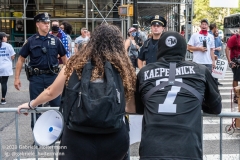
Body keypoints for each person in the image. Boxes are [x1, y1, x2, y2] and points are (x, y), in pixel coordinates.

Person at [17, 24, 136, 160]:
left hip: (77, 137)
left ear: (93, 41)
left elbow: (51, 92)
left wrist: (32, 104)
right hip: (113, 137)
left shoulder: (75, 64)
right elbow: (130, 107)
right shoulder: (124, 69)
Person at [133, 31, 222, 159]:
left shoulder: (145, 72)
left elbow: (140, 108)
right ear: (183, 49)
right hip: (187, 148)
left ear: (160, 49)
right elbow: (216, 107)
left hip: (152, 148)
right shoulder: (200, 70)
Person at [14, 12, 68, 131]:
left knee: (56, 106)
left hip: (52, 77)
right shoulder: (31, 41)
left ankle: (59, 132)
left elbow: (64, 58)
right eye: (44, 23)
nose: (47, 25)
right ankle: (37, 134)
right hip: (36, 78)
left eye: (48, 23)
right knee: (35, 106)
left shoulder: (55, 40)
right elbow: (21, 59)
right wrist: (16, 78)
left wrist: (68, 76)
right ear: (37, 24)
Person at [0, 32, 16, 104]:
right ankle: (3, 99)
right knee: (4, 83)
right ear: (3, 38)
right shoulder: (8, 46)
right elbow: (13, 57)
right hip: (6, 67)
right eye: (6, 37)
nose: (6, 38)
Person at [226, 31, 240, 103]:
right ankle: (236, 96)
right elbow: (227, 48)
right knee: (236, 78)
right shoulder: (234, 38)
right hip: (236, 61)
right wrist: (229, 61)